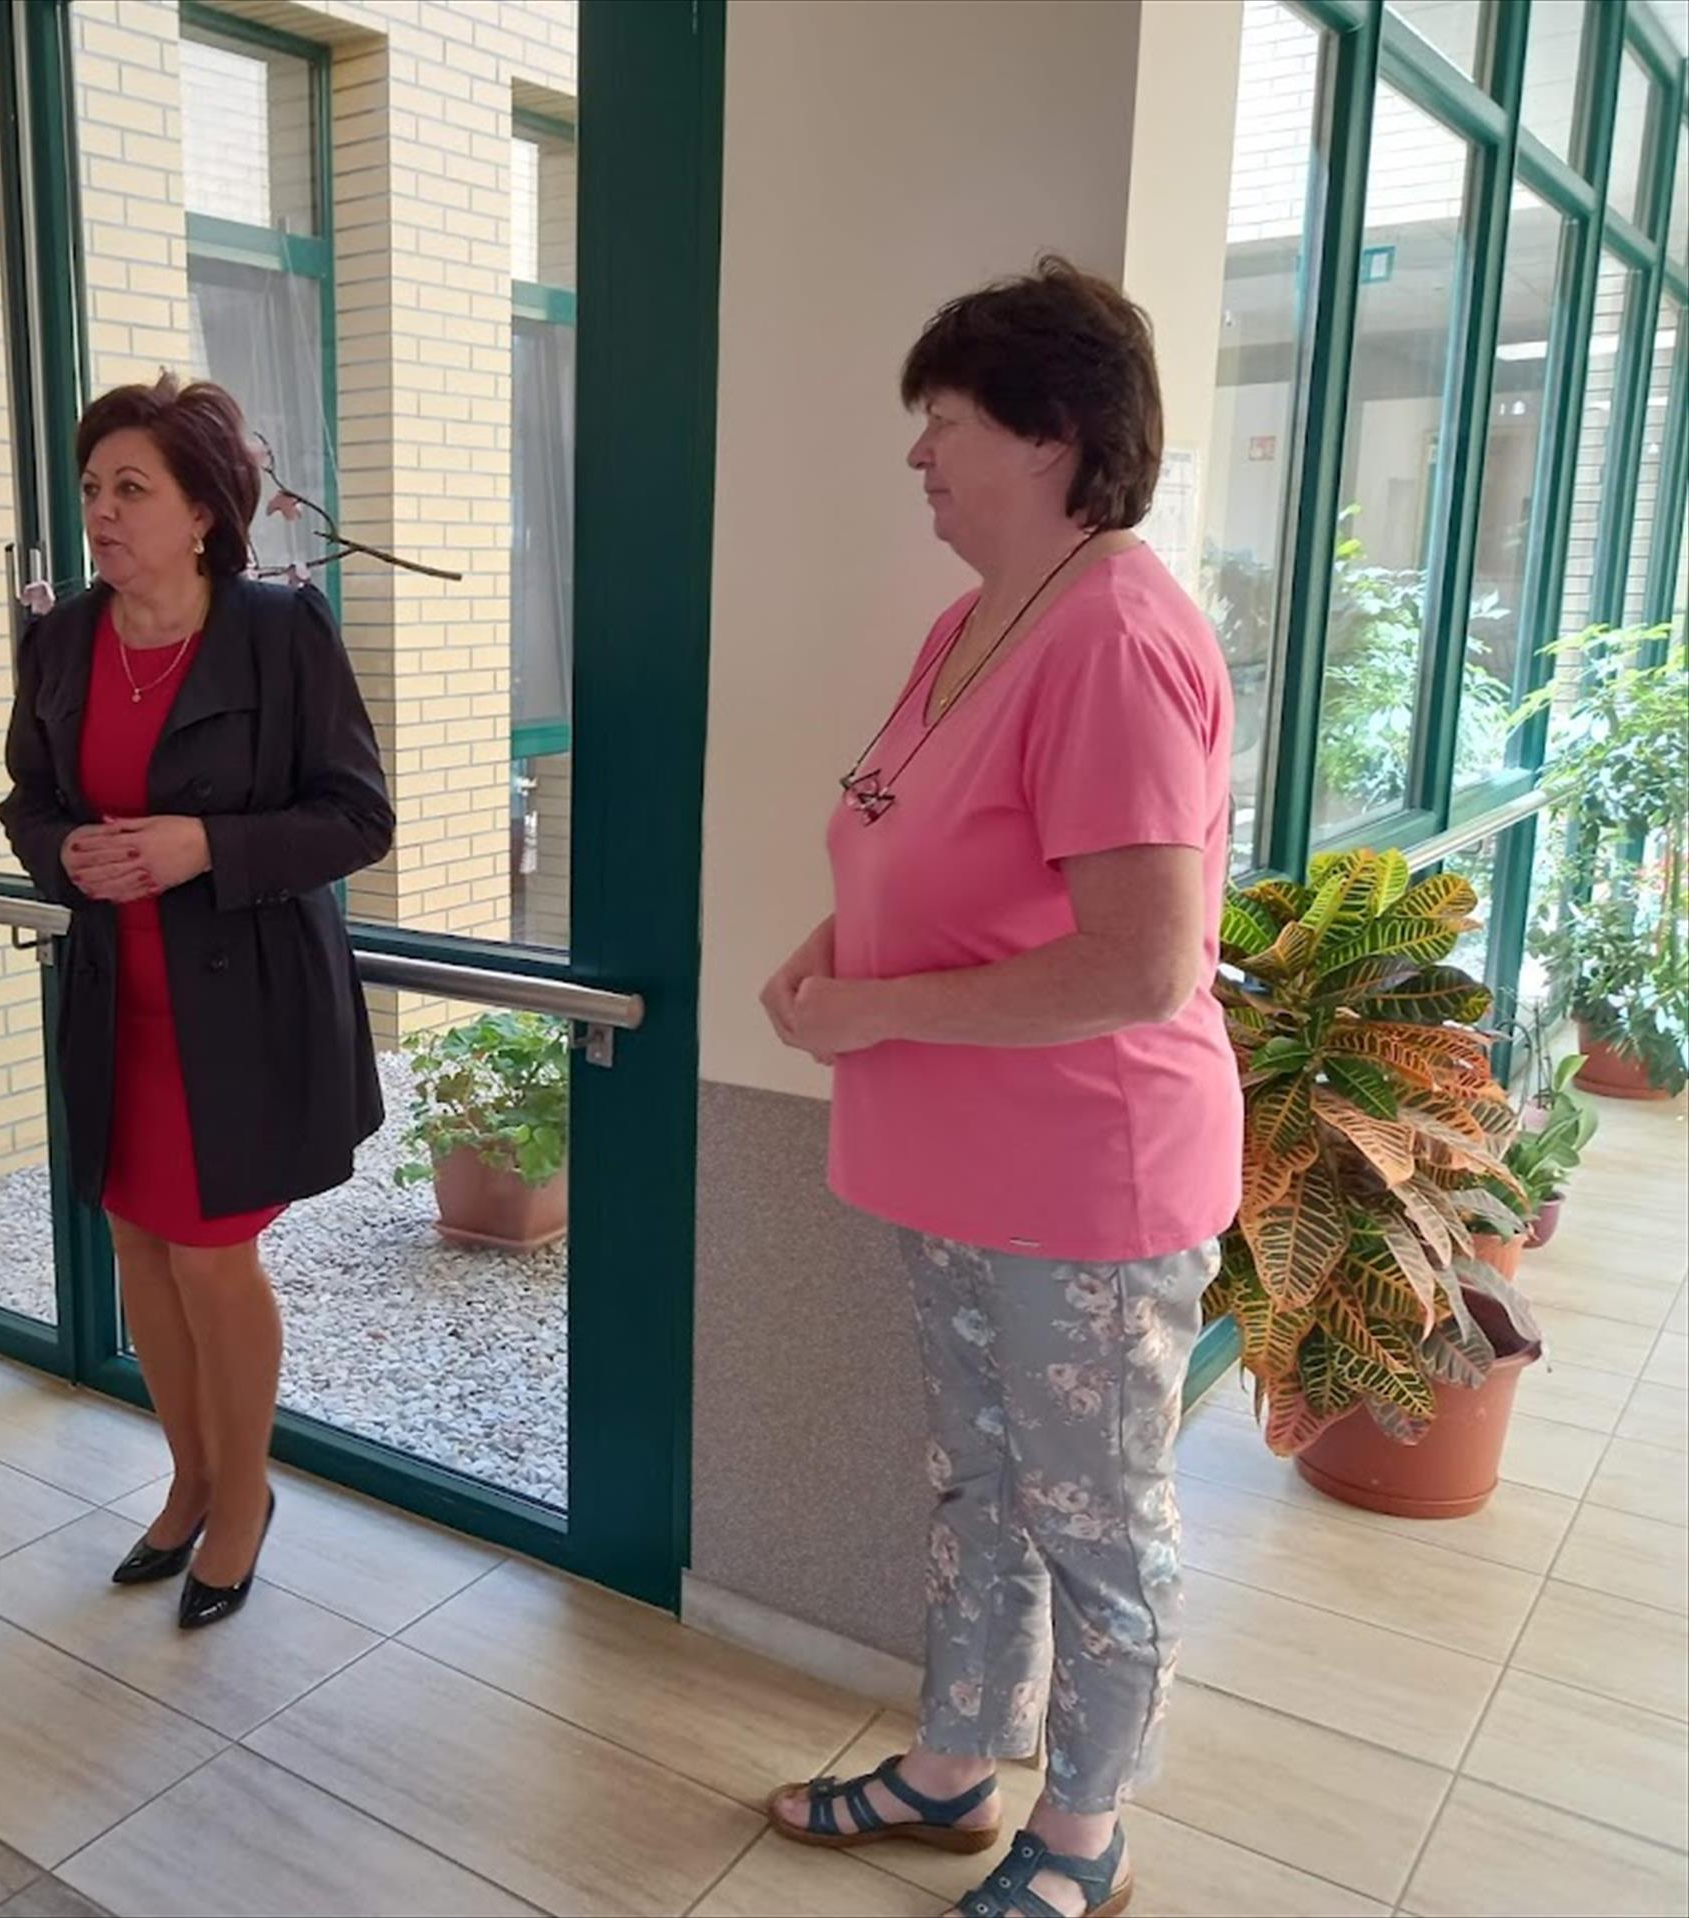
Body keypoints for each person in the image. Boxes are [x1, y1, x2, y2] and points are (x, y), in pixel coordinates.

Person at [756, 260, 1239, 1918]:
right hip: (959, 1159)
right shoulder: (971, 625)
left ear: (1052, 434)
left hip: (1087, 1176)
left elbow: (1141, 962)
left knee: (1095, 1515)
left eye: (946, 421)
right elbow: (904, 841)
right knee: (981, 1482)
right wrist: (828, 957)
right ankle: (957, 1763)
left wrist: (873, 1006)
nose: (919, 455)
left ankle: (1085, 1834)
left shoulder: (1114, 639)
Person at [0, 374, 391, 1630]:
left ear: (205, 513)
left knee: (214, 1254)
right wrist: (61, 851)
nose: (101, 513)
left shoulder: (280, 629)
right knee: (136, 1243)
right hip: (115, 995)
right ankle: (186, 1480)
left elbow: (357, 818)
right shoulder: (63, 640)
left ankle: (243, 1499)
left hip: (244, 1005)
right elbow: (27, 800)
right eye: (92, 488)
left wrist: (203, 846)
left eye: (131, 489)